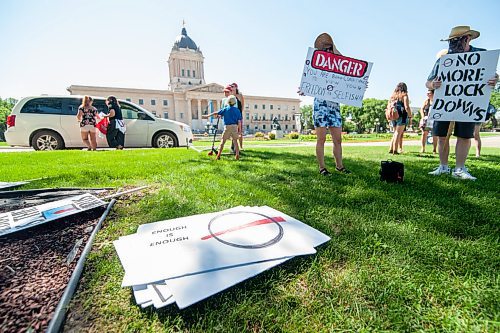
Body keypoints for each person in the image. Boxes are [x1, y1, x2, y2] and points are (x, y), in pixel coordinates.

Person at [426, 26, 498, 180]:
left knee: (465, 136)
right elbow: (428, 82)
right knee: (442, 135)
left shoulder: (481, 55)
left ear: (468, 38)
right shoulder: (444, 59)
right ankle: (443, 166)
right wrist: (433, 85)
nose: (454, 44)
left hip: (469, 103)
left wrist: (494, 80)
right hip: (445, 102)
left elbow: (491, 76)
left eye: (457, 40)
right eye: (452, 41)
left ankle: (460, 169)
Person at [299, 33, 350, 176]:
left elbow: (348, 75)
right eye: (325, 47)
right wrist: (305, 88)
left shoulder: (338, 66)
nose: (327, 50)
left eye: (329, 47)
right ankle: (322, 168)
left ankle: (339, 166)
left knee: (337, 139)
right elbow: (308, 80)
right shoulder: (316, 65)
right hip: (320, 104)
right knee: (320, 138)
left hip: (334, 105)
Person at [202, 95, 242, 160]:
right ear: (235, 102)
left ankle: (218, 155)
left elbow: (216, 113)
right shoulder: (237, 110)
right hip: (235, 127)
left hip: (227, 127)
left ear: (228, 101)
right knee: (235, 142)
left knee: (223, 141)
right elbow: (239, 121)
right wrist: (239, 131)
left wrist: (207, 115)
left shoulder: (225, 109)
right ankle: (237, 155)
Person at [387, 82, 411, 154]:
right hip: (402, 115)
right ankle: (395, 150)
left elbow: (388, 106)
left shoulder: (392, 96)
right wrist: (410, 116)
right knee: (398, 133)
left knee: (395, 133)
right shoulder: (404, 96)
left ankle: (391, 149)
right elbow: (407, 107)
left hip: (393, 115)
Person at [419, 89, 437, 153]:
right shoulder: (427, 101)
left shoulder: (436, 101)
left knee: (435, 134)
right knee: (424, 133)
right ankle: (423, 148)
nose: (428, 94)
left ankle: (434, 149)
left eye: (429, 93)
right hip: (426, 119)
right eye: (427, 93)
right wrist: (423, 117)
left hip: (434, 119)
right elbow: (421, 109)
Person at [230, 83, 245, 150]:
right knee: (233, 131)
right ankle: (233, 146)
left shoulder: (240, 95)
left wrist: (239, 114)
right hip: (232, 115)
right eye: (231, 87)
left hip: (238, 115)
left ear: (236, 87)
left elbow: (242, 105)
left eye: (233, 86)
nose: (232, 88)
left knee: (240, 131)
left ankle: (241, 147)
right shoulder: (231, 96)